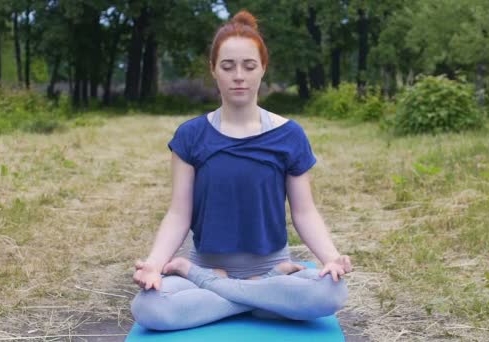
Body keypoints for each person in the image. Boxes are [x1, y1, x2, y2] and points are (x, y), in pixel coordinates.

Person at [130, 10, 352, 331]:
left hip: (270, 264)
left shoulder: (289, 135)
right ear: (213, 70)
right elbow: (178, 213)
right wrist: (153, 264)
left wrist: (331, 257)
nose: (239, 76)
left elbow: (305, 213)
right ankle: (263, 297)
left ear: (263, 69)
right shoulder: (190, 136)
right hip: (207, 263)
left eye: (249, 66)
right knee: (149, 308)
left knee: (330, 293)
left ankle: (216, 285)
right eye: (228, 66)